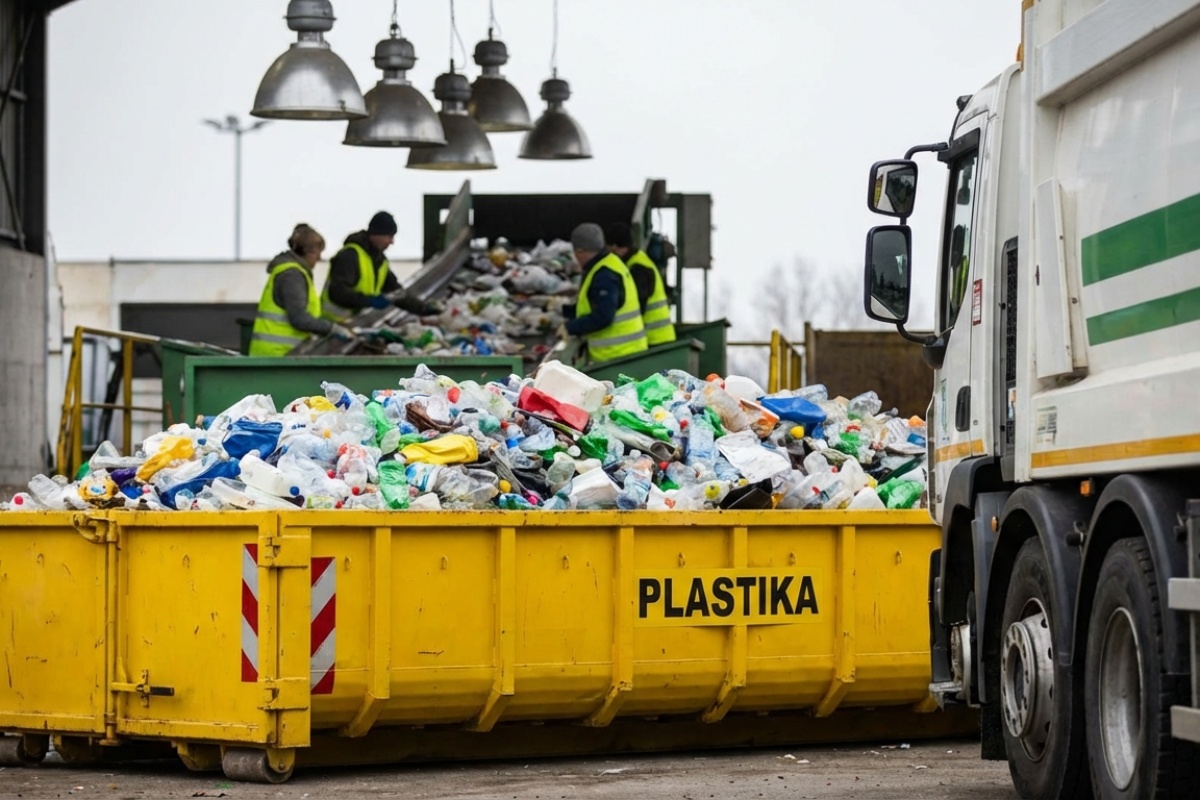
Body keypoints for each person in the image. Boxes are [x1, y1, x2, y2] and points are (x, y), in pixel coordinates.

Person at [249, 224, 354, 356]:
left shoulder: (293, 273)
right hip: (278, 356)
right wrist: (331, 329)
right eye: (318, 252)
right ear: (308, 251)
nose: (319, 258)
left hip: (279, 355)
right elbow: (299, 318)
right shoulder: (292, 275)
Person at [320, 210, 440, 322]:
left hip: (351, 322)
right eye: (389, 236)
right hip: (331, 323)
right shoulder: (349, 256)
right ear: (377, 234)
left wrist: (423, 308)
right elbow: (337, 293)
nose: (391, 242)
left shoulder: (379, 261)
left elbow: (396, 292)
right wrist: (370, 301)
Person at [561, 222, 648, 362]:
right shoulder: (609, 263)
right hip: (628, 352)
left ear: (580, 251)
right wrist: (565, 312)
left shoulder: (604, 275)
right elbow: (594, 304)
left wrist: (570, 327)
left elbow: (603, 315)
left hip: (618, 356)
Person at [604, 221, 677, 345]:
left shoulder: (639, 269)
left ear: (615, 247)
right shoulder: (638, 260)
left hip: (655, 341)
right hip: (658, 339)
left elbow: (637, 306)